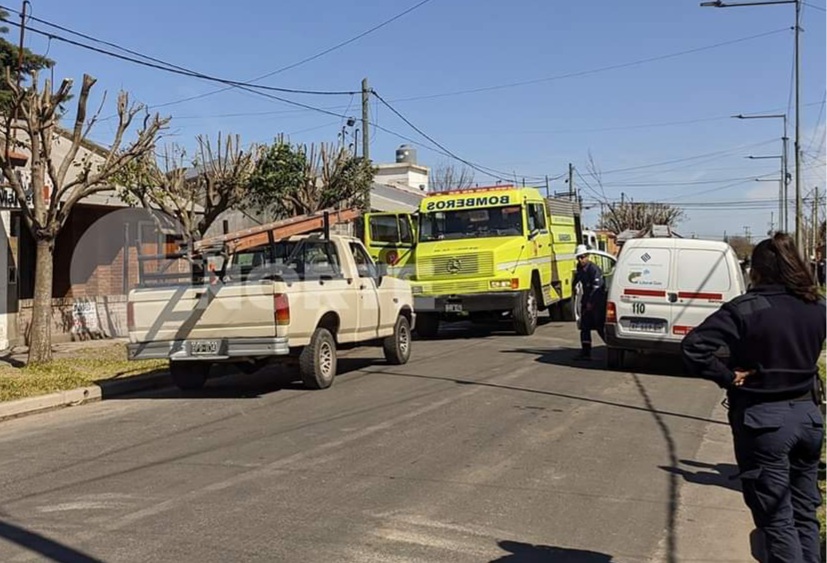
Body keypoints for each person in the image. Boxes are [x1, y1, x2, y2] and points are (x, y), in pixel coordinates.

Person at [681, 232, 826, 563]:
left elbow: (693, 348)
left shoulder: (747, 309)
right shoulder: (817, 306)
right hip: (808, 417)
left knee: (777, 521)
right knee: (805, 512)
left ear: (757, 270)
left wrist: (729, 377)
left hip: (765, 423)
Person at [573, 244, 606, 360]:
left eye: (582, 257)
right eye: (579, 257)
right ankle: (586, 352)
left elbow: (597, 288)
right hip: (586, 300)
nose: (581, 260)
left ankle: (611, 346)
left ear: (587, 256)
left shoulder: (594, 269)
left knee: (600, 326)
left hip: (597, 302)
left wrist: (591, 303)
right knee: (584, 326)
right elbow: (577, 281)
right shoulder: (579, 269)